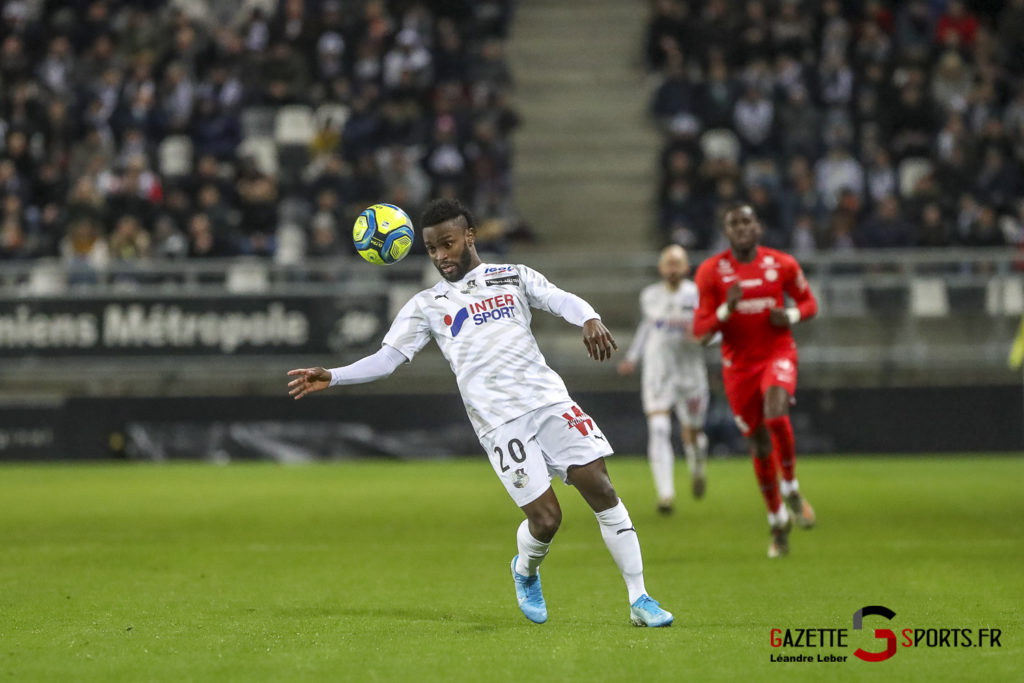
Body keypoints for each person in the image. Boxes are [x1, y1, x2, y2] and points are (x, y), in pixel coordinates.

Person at [287, 198, 673, 627]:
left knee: (600, 487)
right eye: (432, 249)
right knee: (547, 520)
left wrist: (589, 318)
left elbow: (559, 298)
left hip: (548, 400)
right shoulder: (426, 305)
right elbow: (388, 359)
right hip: (499, 421)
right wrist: (334, 376)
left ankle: (640, 599)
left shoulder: (512, 275)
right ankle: (525, 570)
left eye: (447, 244)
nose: (440, 256)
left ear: (469, 236)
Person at [692, 203, 818, 558]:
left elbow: (809, 303)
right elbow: (699, 332)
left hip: (777, 354)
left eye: (747, 222)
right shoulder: (710, 273)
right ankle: (778, 519)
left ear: (758, 228)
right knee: (759, 445)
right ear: (727, 232)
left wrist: (790, 313)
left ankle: (791, 486)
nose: (742, 228)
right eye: (734, 224)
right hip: (738, 368)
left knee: (776, 413)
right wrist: (725, 310)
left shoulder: (782, 264)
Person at [617, 245, 711, 513]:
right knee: (659, 428)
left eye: (677, 263)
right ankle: (666, 494)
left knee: (693, 433)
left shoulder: (697, 295)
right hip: (658, 371)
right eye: (668, 263)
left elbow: (712, 330)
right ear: (660, 268)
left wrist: (706, 338)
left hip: (691, 372)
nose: (672, 268)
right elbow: (648, 326)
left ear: (686, 268)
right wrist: (633, 357)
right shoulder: (649, 296)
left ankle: (698, 465)